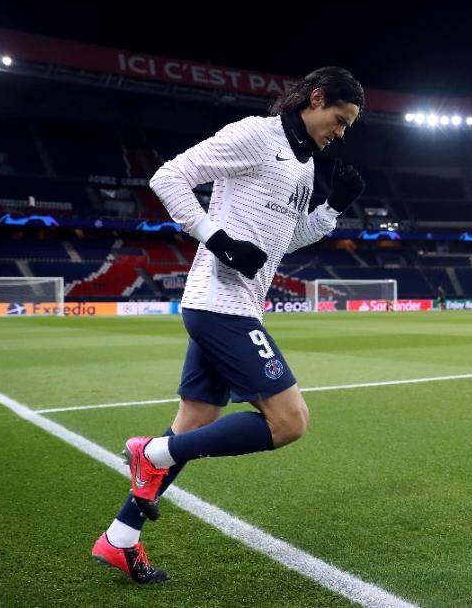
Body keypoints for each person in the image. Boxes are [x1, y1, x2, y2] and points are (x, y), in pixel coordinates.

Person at [91, 67, 366, 583]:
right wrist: (218, 239)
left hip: (238, 304)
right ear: (317, 97)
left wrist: (332, 209)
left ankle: (120, 538)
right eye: (339, 118)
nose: (341, 131)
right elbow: (168, 177)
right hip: (221, 304)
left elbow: (287, 237)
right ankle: (151, 453)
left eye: (348, 126)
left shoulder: (304, 166)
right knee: (290, 422)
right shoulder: (256, 134)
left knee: (194, 420)